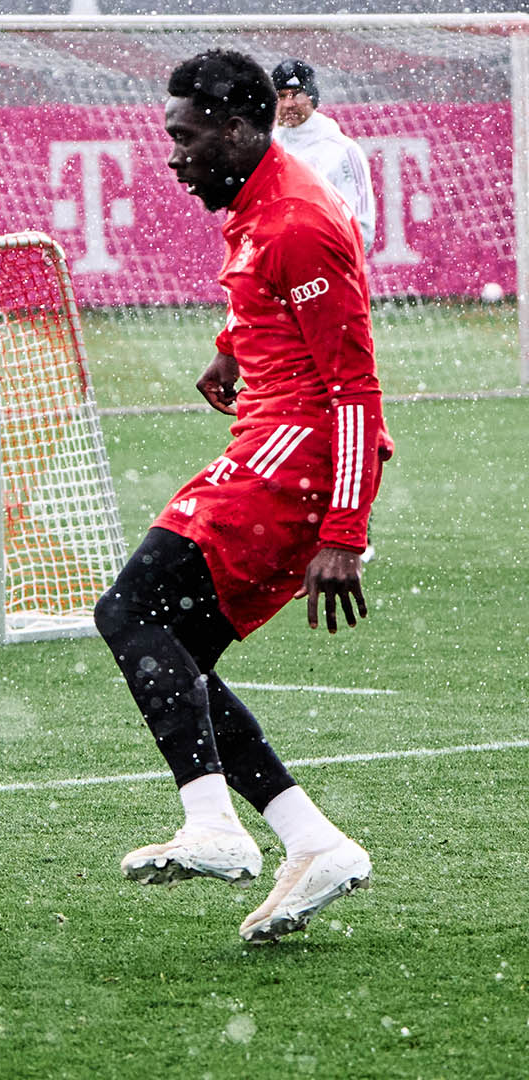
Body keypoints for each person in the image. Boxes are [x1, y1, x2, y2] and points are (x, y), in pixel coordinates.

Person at [98, 49, 390, 943]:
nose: (174, 158)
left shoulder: (299, 221)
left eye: (185, 138)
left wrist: (343, 529)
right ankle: (313, 839)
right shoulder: (254, 200)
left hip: (294, 463)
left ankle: (218, 828)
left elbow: (356, 389)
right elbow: (261, 289)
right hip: (270, 442)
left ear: (236, 128)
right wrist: (233, 343)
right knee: (176, 649)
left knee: (129, 612)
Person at [272, 59, 376, 251]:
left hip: (324, 270)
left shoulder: (342, 151)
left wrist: (314, 253)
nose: (288, 104)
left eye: (296, 95)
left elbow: (362, 232)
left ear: (311, 97)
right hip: (277, 272)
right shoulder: (267, 150)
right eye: (281, 96)